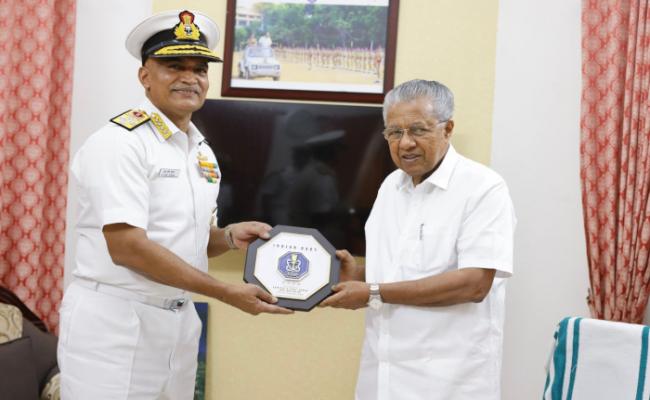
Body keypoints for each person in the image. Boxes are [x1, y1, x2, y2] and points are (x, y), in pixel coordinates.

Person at [57, 10, 291, 400]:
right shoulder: (121, 143)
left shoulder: (200, 151)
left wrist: (227, 237)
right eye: (174, 66)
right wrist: (223, 291)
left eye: (199, 69)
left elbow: (186, 241)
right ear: (144, 76)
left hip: (178, 322)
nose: (190, 77)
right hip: (115, 326)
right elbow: (128, 246)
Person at [322, 79, 516, 400]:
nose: (406, 143)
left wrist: (372, 291)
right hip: (381, 376)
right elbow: (399, 270)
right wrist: (358, 275)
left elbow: (475, 284)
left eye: (418, 130)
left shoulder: (483, 188)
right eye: (394, 133)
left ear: (448, 129)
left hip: (448, 382)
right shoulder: (390, 187)